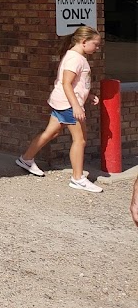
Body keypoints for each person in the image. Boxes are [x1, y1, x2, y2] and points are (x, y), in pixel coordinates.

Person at [15, 26, 103, 193]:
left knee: (51, 132)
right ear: (84, 42)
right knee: (80, 140)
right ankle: (78, 178)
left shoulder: (74, 56)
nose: (97, 48)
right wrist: (76, 106)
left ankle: (26, 159)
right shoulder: (75, 59)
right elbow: (66, 83)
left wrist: (88, 95)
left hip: (62, 102)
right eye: (95, 44)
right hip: (69, 104)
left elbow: (75, 83)